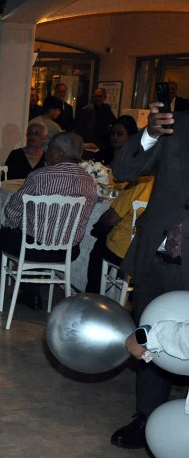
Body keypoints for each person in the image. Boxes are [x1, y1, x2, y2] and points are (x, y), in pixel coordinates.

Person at [109, 102, 189, 450]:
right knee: (151, 329)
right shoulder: (175, 125)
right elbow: (124, 170)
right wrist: (151, 134)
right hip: (162, 252)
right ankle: (147, 415)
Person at [0, 132, 98, 310]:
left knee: (2, 236)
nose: (46, 152)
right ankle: (30, 293)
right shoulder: (90, 181)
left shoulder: (39, 176)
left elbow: (12, 210)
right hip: (67, 251)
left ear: (59, 153)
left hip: (33, 249)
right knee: (36, 236)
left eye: (49, 148)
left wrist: (17, 225)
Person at [85, 116, 151, 294]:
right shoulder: (166, 182)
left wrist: (100, 222)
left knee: (99, 244)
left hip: (126, 248)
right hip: (150, 249)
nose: (115, 137)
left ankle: (93, 296)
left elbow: (112, 218)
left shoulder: (139, 181)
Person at [76, 87, 116, 154]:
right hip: (91, 140)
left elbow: (113, 121)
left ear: (104, 98)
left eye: (99, 96)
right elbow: (81, 127)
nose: (97, 98)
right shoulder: (86, 110)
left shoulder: (106, 108)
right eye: (95, 96)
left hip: (103, 140)